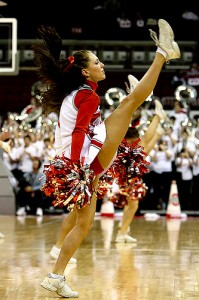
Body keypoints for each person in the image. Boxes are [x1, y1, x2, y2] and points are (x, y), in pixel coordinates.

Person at [32, 19, 180, 298]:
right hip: (88, 162)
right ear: (85, 71)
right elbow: (78, 131)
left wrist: (77, 167)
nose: (102, 65)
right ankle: (162, 53)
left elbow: (78, 130)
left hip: (86, 162)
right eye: (97, 62)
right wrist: (78, 168)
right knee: (130, 102)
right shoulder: (87, 96)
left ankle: (55, 276)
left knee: (83, 224)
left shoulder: (78, 94)